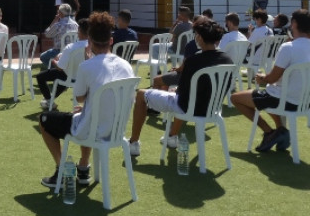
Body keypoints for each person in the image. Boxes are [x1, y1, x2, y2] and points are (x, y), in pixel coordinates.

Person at [38, 11, 134, 188]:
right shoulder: (126, 66)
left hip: (92, 130)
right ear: (111, 41)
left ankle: (61, 169)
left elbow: (79, 98)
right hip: (116, 130)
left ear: (89, 42)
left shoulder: (87, 66)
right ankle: (83, 166)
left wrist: (89, 63)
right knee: (84, 115)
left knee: (45, 119)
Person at [127, 19, 232, 155]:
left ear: (199, 37)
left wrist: (175, 89)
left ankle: (133, 143)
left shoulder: (193, 61)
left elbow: (182, 92)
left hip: (188, 107)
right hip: (213, 109)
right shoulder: (228, 60)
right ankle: (171, 137)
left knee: (141, 94)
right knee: (186, 97)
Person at [230, 9, 310, 152]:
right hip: (305, 102)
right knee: (268, 94)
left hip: (283, 99)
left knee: (235, 98)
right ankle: (280, 130)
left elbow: (272, 78)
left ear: (294, 24)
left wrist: (262, 78)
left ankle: (270, 132)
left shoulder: (288, 47)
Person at [36, 18, 90, 110]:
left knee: (40, 76)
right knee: (63, 76)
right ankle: (50, 100)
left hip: (69, 76)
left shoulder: (71, 47)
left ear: (79, 31)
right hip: (84, 77)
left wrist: (54, 61)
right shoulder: (94, 46)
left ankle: (49, 100)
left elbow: (60, 67)